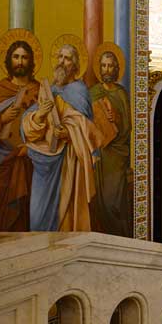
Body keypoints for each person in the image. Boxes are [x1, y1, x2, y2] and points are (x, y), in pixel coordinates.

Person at [22, 42, 102, 231]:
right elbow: (27, 127)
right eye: (60, 57)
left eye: (67, 58)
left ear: (74, 65)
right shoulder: (48, 89)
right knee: (37, 213)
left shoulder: (79, 92)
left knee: (65, 212)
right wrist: (40, 114)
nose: (62, 62)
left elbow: (89, 131)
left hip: (68, 162)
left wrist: (69, 132)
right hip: (44, 162)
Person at [0, 38, 39, 231]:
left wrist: (30, 148)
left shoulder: (40, 90)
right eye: (16, 57)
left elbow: (49, 126)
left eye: (24, 57)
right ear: (9, 60)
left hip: (30, 161)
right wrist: (1, 118)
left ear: (30, 61)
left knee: (28, 214)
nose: (20, 61)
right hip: (3, 165)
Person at [89, 49, 131, 236]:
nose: (107, 69)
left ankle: (121, 238)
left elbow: (128, 126)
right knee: (98, 201)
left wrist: (117, 118)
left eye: (110, 66)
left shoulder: (121, 93)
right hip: (99, 155)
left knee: (112, 200)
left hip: (116, 156)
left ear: (116, 68)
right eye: (104, 65)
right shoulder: (93, 92)